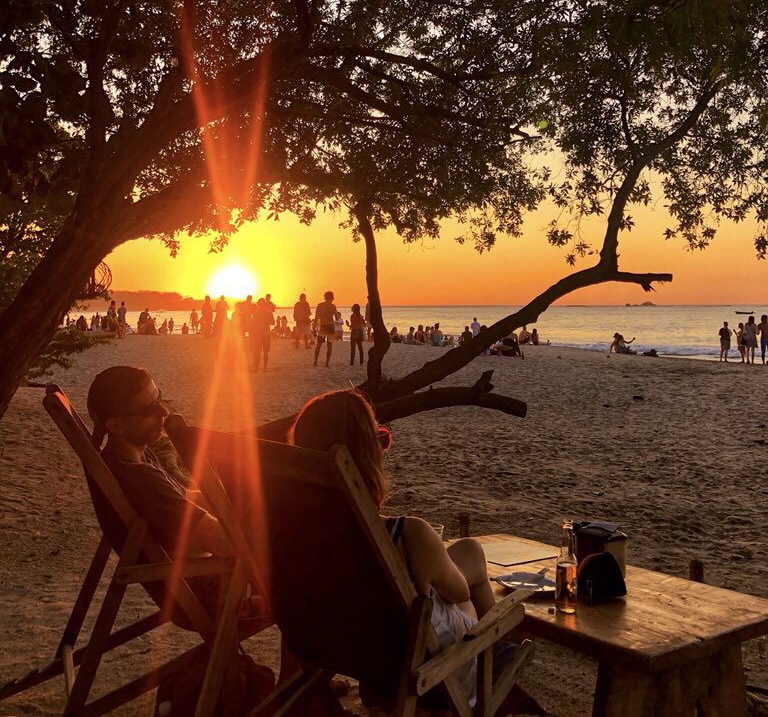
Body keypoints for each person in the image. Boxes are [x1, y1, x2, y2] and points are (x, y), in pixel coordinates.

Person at [288, 390, 539, 715]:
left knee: (469, 550)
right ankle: (493, 660)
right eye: (380, 440)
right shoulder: (409, 534)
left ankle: (494, 662)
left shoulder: (297, 538)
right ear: (366, 456)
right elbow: (459, 593)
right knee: (467, 580)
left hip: (360, 660)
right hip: (426, 676)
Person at [86, 366, 235, 614]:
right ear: (116, 425)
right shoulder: (139, 480)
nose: (164, 411)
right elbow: (221, 542)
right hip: (214, 591)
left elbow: (186, 501)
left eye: (159, 399)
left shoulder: (131, 459)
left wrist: (240, 501)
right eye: (149, 410)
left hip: (202, 577)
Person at [313, 291, 341, 367]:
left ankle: (315, 361)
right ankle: (327, 363)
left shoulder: (320, 305)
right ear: (331, 298)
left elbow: (317, 318)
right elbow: (337, 318)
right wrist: (338, 315)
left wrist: (315, 328)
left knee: (319, 345)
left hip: (322, 326)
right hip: (330, 327)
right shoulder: (332, 306)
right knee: (329, 345)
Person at [251, 297, 274, 371]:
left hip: (258, 334)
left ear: (258, 304)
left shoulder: (256, 313)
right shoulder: (269, 312)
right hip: (266, 334)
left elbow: (253, 323)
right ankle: (265, 368)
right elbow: (273, 323)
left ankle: (257, 368)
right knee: (266, 352)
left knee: (257, 352)